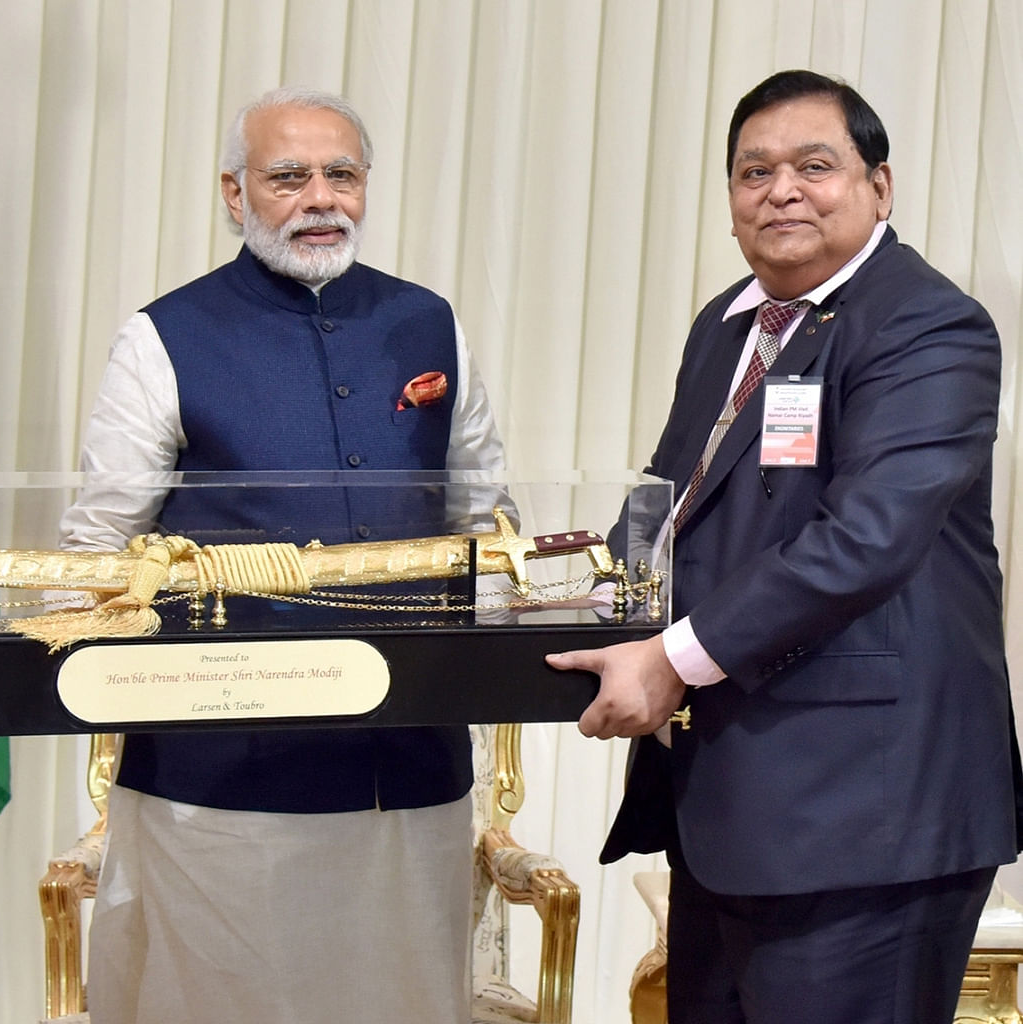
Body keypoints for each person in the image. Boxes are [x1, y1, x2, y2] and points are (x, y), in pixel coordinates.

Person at [548, 70, 1021, 1024]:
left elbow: (866, 539)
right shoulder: (731, 324)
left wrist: (670, 660)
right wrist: (547, 589)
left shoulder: (930, 327)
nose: (782, 190)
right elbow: (671, 508)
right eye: (753, 171)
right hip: (730, 812)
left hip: (863, 820)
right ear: (730, 201)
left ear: (878, 188)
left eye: (816, 165)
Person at [58, 86, 505, 1024]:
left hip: (408, 762)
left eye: (340, 174)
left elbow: (484, 525)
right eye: (288, 176)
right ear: (234, 193)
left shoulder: (430, 324)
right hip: (219, 779)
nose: (320, 198)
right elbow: (100, 549)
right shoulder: (161, 336)